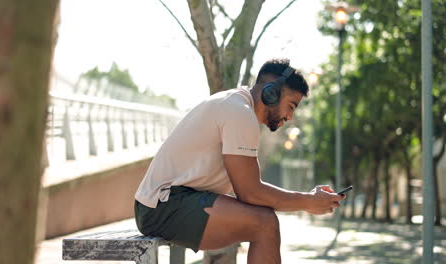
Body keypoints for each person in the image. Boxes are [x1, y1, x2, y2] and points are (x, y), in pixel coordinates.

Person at [134, 58, 345, 263]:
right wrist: (308, 201)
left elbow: (252, 191)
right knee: (264, 223)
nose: (290, 117)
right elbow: (250, 192)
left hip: (174, 201)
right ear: (271, 92)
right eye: (291, 106)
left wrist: (307, 200)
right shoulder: (239, 112)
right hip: (162, 206)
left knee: (264, 217)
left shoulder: (239, 107)